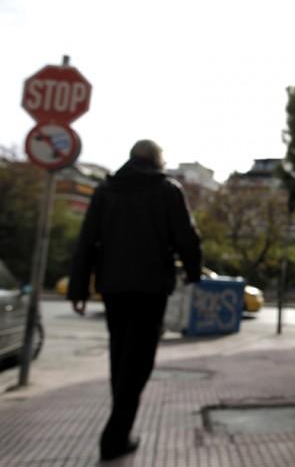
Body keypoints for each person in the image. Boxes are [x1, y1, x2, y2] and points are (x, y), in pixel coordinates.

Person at [67, 140, 202, 461]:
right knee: (138, 362)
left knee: (120, 356)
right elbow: (186, 237)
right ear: (157, 160)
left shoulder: (105, 191)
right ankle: (115, 435)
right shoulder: (167, 190)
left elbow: (87, 240)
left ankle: (120, 430)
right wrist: (194, 273)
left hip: (113, 287)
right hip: (151, 287)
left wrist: (78, 288)